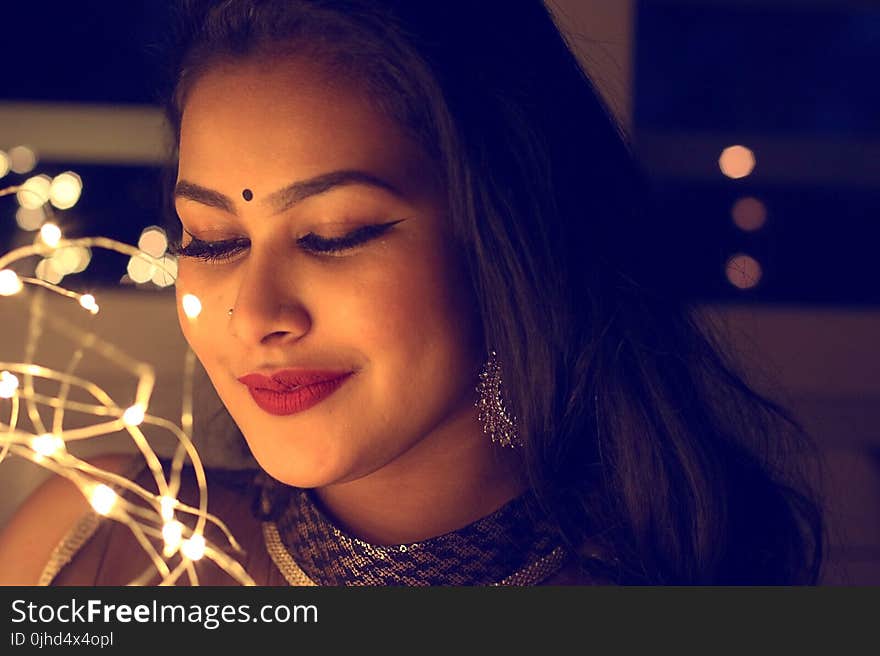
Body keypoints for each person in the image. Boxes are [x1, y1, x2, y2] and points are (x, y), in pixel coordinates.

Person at [0, 0, 824, 586]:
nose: (254, 316)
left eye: (333, 234)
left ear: (506, 240)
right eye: (212, 241)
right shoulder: (91, 542)